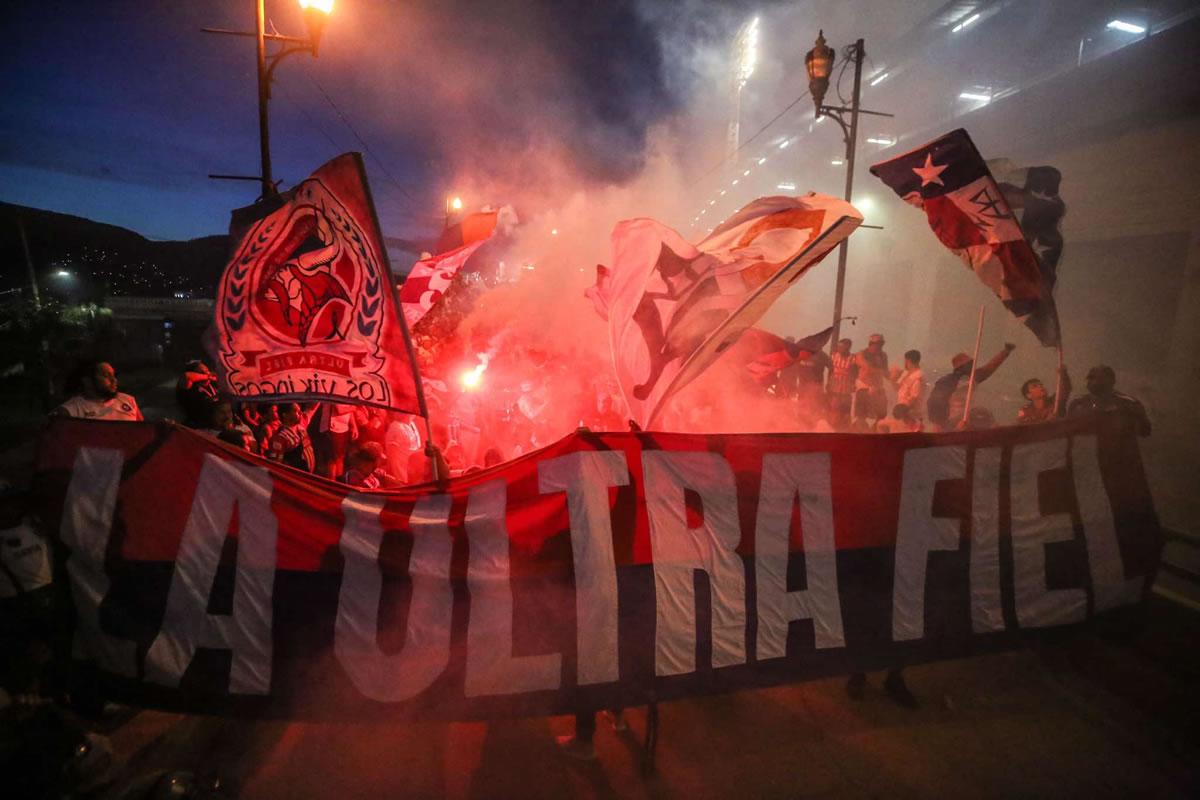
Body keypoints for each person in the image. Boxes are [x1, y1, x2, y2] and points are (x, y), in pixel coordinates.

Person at [926, 344, 1016, 430]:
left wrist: (1005, 352)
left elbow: (990, 367)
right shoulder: (947, 381)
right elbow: (934, 401)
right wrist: (937, 422)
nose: (973, 366)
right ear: (962, 367)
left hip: (967, 416)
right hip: (951, 420)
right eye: (970, 364)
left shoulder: (973, 377)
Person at [1067, 365, 1151, 436]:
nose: (1092, 382)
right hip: (1086, 454)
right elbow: (1067, 431)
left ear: (1111, 381)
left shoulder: (1129, 404)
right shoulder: (1078, 404)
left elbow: (1145, 431)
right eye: (1090, 378)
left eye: (1099, 378)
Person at [53, 361, 142, 421]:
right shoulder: (70, 410)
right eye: (106, 375)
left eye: (113, 375)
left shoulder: (128, 400)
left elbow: (142, 431)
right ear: (87, 381)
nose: (114, 380)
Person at [267, 403, 317, 472]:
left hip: (308, 476)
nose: (300, 413)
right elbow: (275, 465)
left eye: (300, 411)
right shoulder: (280, 438)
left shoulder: (301, 426)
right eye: (295, 411)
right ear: (285, 415)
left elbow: (311, 409)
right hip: (295, 478)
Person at [854, 334, 889, 421]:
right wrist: (881, 371)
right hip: (864, 388)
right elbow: (868, 368)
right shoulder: (861, 354)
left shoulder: (883, 356)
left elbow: (886, 373)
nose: (879, 347)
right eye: (877, 344)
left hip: (878, 388)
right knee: (861, 417)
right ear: (871, 344)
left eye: (881, 344)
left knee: (881, 416)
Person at [176, 359, 220, 428]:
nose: (207, 373)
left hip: (218, 423)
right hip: (199, 427)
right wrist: (207, 376)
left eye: (207, 370)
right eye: (201, 372)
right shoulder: (190, 387)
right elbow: (186, 376)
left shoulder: (212, 383)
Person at [826, 338, 857, 419]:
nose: (840, 349)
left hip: (846, 390)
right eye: (839, 347)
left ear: (848, 348)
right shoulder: (833, 356)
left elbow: (855, 373)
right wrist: (828, 383)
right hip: (834, 389)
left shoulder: (853, 358)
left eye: (842, 347)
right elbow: (830, 371)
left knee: (845, 413)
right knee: (833, 410)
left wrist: (853, 384)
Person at [892, 350, 926, 421]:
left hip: (911, 413)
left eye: (905, 361)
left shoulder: (918, 376)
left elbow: (914, 397)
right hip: (902, 410)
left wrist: (902, 411)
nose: (904, 363)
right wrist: (893, 378)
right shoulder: (905, 373)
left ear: (908, 361)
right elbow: (896, 387)